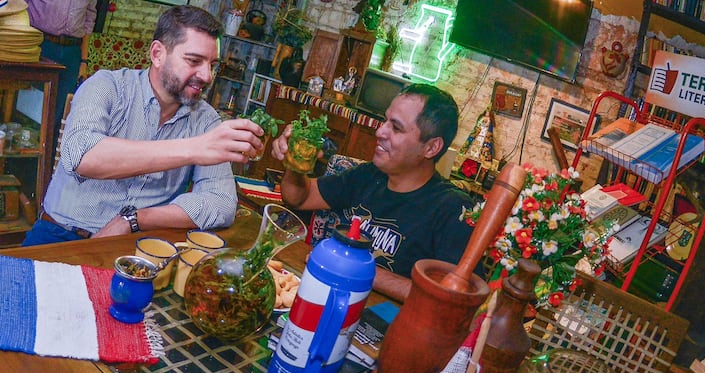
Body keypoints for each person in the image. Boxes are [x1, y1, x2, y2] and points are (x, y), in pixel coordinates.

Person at [23, 5, 266, 246]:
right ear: (157, 54)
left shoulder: (205, 119)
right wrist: (195, 148)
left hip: (137, 243)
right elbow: (81, 156)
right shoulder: (108, 86)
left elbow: (222, 203)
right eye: (194, 61)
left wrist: (134, 219)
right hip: (61, 236)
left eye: (212, 64)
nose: (207, 75)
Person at [271, 83, 478, 302]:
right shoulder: (370, 174)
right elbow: (299, 198)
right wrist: (295, 161)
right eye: (385, 120)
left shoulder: (454, 209)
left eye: (396, 128)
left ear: (431, 148)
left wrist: (354, 267)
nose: (379, 132)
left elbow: (452, 297)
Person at [27, 0, 98, 144]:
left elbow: (88, 21)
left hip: (72, 52)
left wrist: (83, 61)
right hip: (42, 44)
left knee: (58, 111)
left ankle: (46, 160)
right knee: (30, 104)